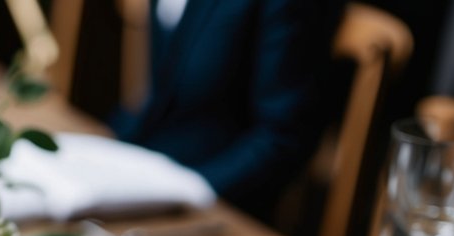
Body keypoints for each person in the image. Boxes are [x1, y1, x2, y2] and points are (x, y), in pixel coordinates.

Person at [111, 0, 347, 220]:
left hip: (221, 205)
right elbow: (160, 93)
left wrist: (185, 190)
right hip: (148, 173)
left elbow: (284, 136)